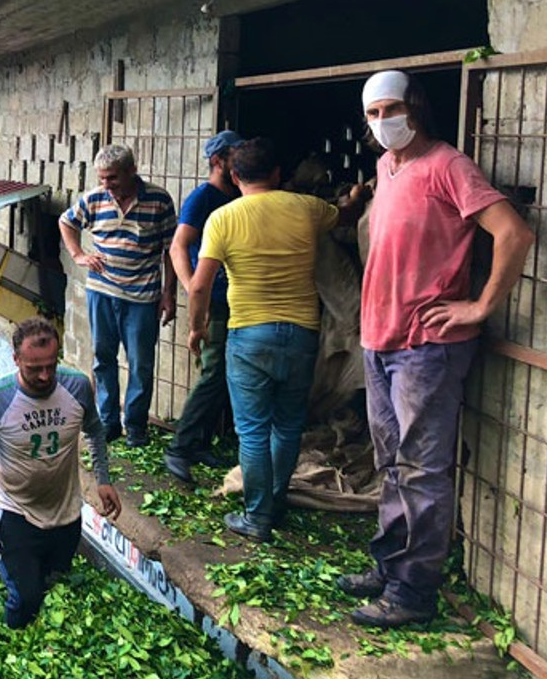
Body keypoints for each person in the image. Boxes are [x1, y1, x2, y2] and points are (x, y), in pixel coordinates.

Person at [336, 71, 533, 628]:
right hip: (378, 337)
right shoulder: (385, 167)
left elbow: (513, 233)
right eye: (372, 114)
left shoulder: (449, 166)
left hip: (427, 346)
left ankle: (414, 592)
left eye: (390, 110)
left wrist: (479, 306)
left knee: (422, 469)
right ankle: (389, 564)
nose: (381, 123)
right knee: (391, 462)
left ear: (415, 108)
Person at [188, 138, 344, 543]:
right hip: (302, 332)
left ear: (235, 176)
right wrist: (358, 196)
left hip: (249, 335)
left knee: (253, 431)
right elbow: (343, 216)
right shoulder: (307, 208)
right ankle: (274, 501)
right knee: (288, 426)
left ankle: (257, 517)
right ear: (278, 174)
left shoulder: (222, 218)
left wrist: (197, 326)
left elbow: (200, 286)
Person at [0, 317, 122, 629]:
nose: (45, 375)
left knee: (51, 586)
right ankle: (13, 648)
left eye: (50, 364)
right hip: (16, 514)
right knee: (26, 597)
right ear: (16, 359)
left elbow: (95, 430)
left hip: (65, 514)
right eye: (34, 368)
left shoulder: (76, 386)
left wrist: (103, 480)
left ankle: (41, 645)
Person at [60, 144, 177, 447]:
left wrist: (168, 293)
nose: (106, 184)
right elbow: (66, 221)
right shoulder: (95, 198)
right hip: (102, 291)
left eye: (112, 178)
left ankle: (136, 426)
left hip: (142, 295)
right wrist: (78, 255)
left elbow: (170, 249)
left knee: (141, 362)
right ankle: (108, 422)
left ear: (130, 171)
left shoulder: (159, 199)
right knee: (103, 357)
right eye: (102, 178)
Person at [164, 130, 244, 483]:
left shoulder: (238, 194)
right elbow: (178, 247)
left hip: (234, 297)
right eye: (234, 156)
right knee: (214, 373)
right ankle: (180, 447)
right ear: (218, 161)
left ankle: (199, 443)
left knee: (223, 373)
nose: (240, 162)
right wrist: (193, 287)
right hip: (212, 299)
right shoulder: (203, 197)